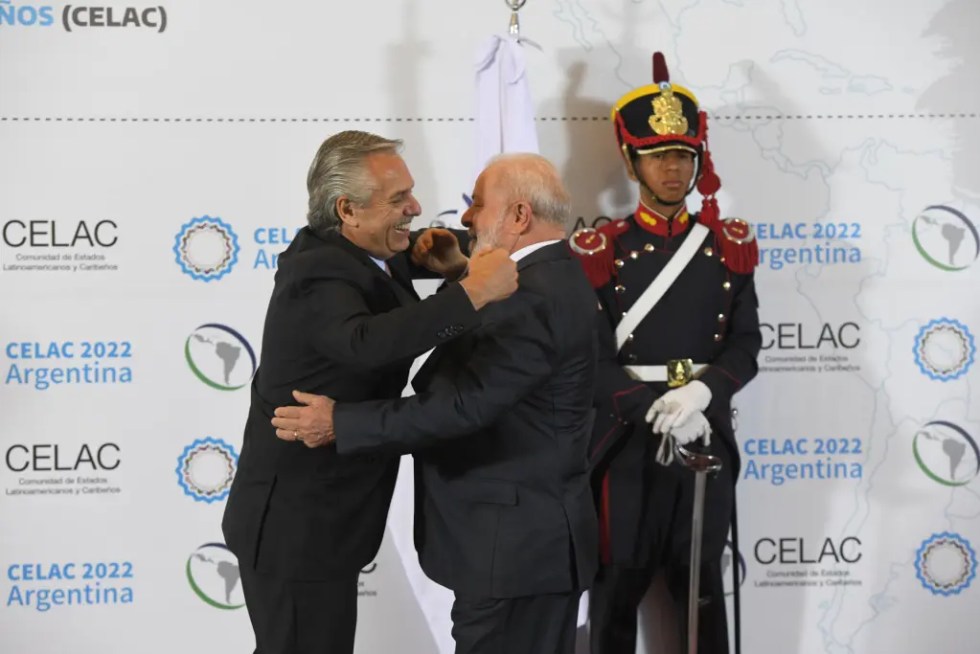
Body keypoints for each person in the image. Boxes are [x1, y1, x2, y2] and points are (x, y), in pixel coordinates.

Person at [272, 153, 599, 654]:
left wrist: (342, 423)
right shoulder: (543, 280)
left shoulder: (534, 296)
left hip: (513, 554)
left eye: (478, 205)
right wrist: (461, 275)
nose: (464, 218)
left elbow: (461, 406)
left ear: (518, 217)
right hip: (515, 549)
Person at [220, 130, 518, 654]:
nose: (417, 208)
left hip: (323, 523)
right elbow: (365, 342)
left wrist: (434, 259)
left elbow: (392, 283)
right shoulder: (318, 273)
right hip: (295, 529)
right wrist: (471, 291)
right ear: (347, 210)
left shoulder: (353, 254)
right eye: (398, 200)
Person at [568, 52, 761, 654]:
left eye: (683, 155)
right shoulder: (600, 249)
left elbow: (746, 343)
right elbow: (589, 358)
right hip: (627, 443)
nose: (673, 169)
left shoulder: (727, 247)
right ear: (631, 160)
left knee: (703, 589)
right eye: (658, 156)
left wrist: (705, 394)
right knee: (616, 592)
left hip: (705, 436)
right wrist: (647, 405)